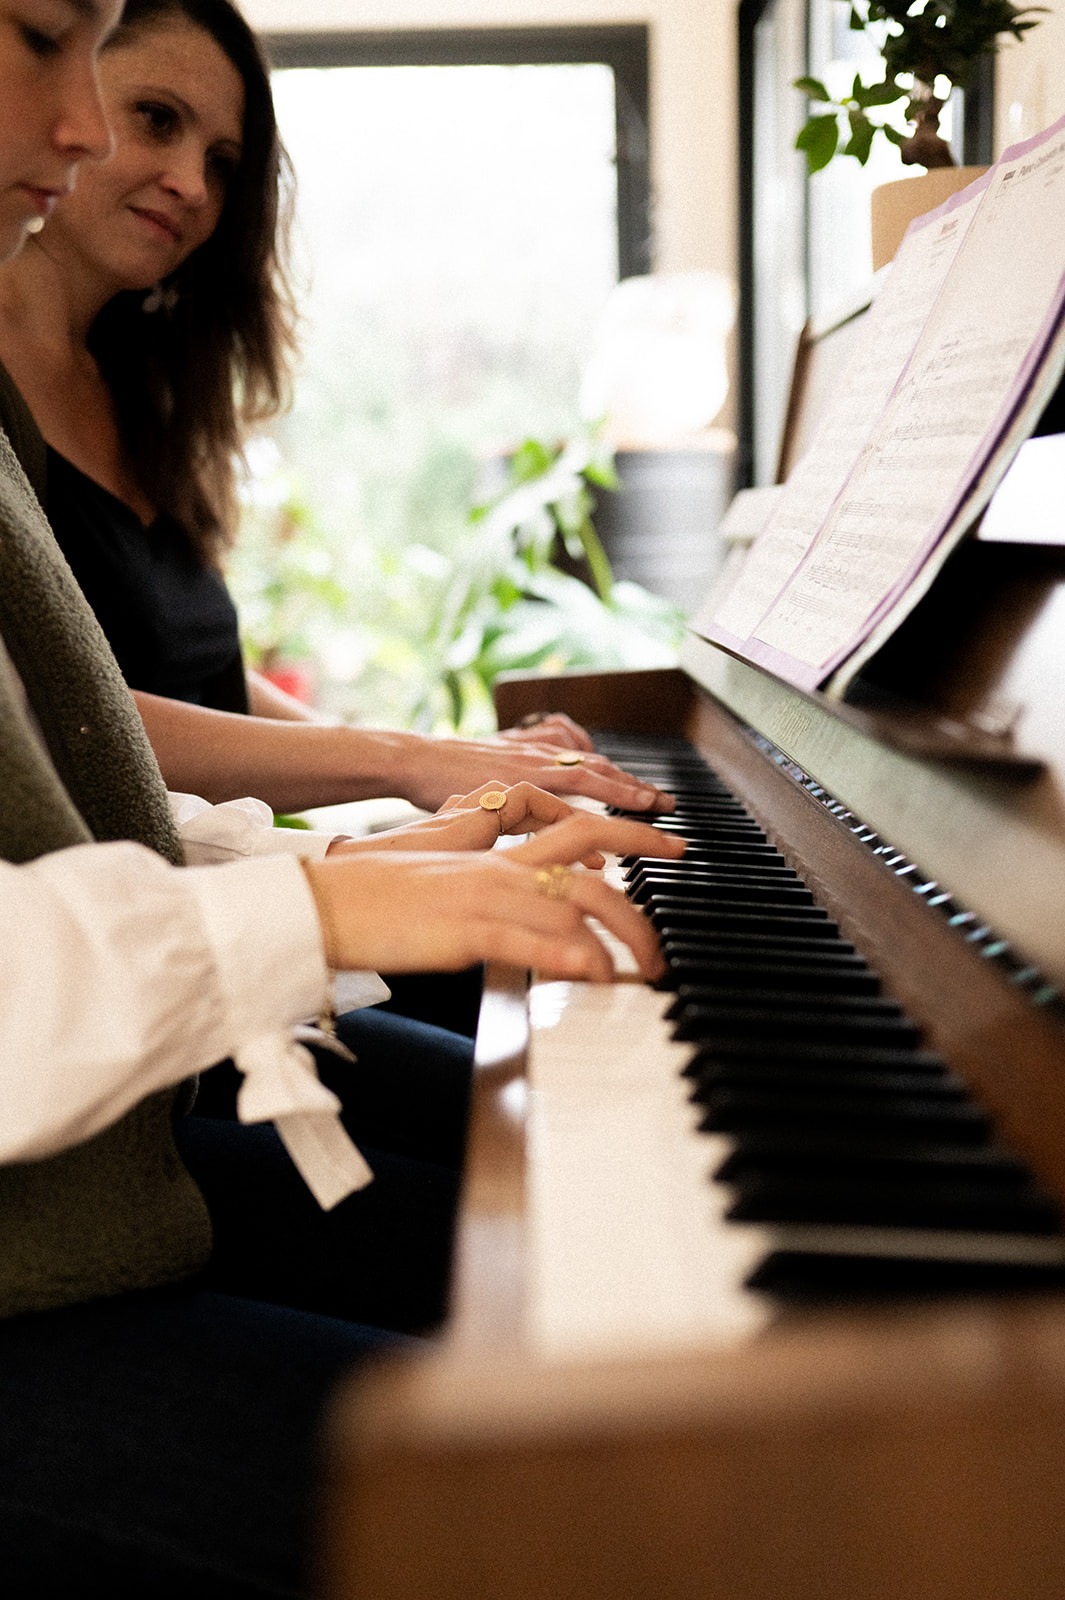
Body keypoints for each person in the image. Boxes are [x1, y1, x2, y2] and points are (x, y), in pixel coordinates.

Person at [0, 4, 687, 1592]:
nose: (104, 138)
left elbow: (64, 788)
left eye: (213, 151)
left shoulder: (128, 399)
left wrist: (388, 840)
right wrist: (359, 837)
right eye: (50, 42)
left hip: (99, 1146)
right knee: (591, 1450)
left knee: (557, 1199)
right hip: (77, 1170)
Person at [0, 0, 674, 825]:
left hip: (204, 867)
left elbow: (201, 678)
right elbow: (53, 719)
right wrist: (406, 761)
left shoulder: (146, 393)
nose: (190, 185)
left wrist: (437, 766)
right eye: (155, 118)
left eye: (221, 163)